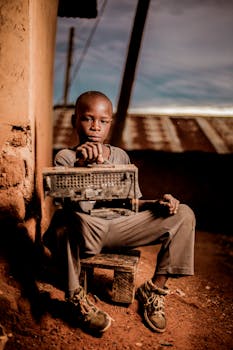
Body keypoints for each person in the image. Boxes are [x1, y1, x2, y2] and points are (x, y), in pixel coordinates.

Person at [43, 91, 195, 334]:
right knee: (64, 220)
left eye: (103, 121)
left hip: (122, 227)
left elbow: (131, 203)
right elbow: (74, 207)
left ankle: (153, 291)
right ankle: (75, 299)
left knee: (184, 213)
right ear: (75, 120)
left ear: (109, 124)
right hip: (87, 230)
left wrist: (157, 203)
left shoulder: (120, 156)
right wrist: (83, 168)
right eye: (87, 118)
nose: (95, 127)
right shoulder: (66, 158)